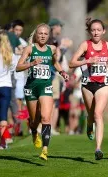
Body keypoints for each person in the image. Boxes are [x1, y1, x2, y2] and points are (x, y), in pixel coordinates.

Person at [69, 18, 108, 160]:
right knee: (91, 113)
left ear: (103, 31)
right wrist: (86, 61)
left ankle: (98, 148)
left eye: (99, 30)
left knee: (98, 113)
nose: (96, 32)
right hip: (87, 84)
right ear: (90, 32)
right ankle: (89, 122)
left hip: (103, 84)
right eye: (93, 30)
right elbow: (72, 63)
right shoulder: (85, 45)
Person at [16, 23, 69, 160]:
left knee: (46, 117)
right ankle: (34, 131)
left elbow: (54, 62)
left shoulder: (52, 49)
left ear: (48, 36)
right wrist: (31, 63)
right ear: (36, 35)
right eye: (41, 33)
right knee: (35, 120)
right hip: (31, 87)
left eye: (46, 34)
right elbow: (18, 67)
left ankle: (45, 150)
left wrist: (62, 72)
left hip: (45, 86)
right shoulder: (29, 49)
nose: (43, 36)